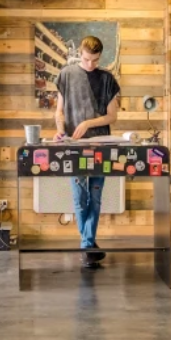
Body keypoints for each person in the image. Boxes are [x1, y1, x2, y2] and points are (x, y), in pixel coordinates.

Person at [54, 36, 121, 269]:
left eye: (95, 60)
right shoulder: (66, 75)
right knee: (79, 196)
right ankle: (88, 245)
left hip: (101, 145)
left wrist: (88, 123)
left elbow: (112, 116)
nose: (90, 64)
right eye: (86, 59)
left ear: (100, 56)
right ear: (79, 54)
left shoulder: (107, 79)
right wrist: (60, 130)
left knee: (95, 195)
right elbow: (59, 112)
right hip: (74, 146)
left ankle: (86, 245)